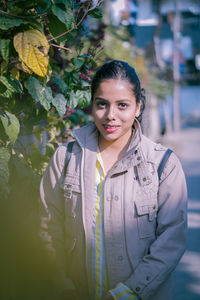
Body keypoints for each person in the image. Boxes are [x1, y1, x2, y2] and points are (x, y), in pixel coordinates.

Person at [40, 60, 187, 300]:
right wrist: (62, 284)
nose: (110, 116)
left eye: (122, 105)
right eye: (102, 104)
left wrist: (129, 292)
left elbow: (171, 241)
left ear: (138, 106)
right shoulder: (65, 159)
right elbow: (47, 227)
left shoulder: (163, 165)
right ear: (92, 104)